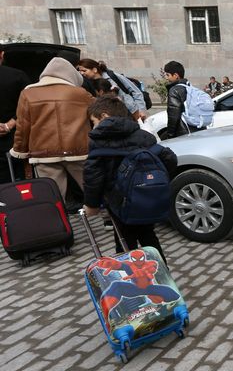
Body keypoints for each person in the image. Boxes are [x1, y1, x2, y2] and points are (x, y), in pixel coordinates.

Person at [82, 96, 177, 264]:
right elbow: (169, 159)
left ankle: (131, 279)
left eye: (94, 121)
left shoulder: (98, 141)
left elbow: (93, 176)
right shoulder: (142, 135)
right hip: (145, 197)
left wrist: (92, 204)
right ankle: (161, 275)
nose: (94, 126)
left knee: (124, 239)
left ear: (104, 116)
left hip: (118, 202)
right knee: (149, 236)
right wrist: (156, 183)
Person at [10, 57, 93, 198]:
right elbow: (100, 116)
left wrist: (20, 150)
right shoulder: (81, 93)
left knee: (53, 198)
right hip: (80, 150)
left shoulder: (28, 94)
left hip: (43, 153)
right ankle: (107, 217)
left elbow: (23, 126)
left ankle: (56, 219)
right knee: (94, 190)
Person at [0, 45, 32, 184]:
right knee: (15, 181)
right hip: (13, 138)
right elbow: (30, 105)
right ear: (2, 54)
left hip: (12, 137)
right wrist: (9, 124)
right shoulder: (18, 75)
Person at [77, 59, 147, 120]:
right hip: (115, 116)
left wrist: (141, 110)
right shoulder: (88, 84)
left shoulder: (112, 76)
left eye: (84, 70)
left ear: (94, 70)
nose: (82, 73)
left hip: (132, 111)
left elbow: (135, 91)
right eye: (80, 71)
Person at [163, 61, 204, 139]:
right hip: (198, 129)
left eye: (168, 75)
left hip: (183, 133)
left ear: (175, 75)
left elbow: (173, 116)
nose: (167, 78)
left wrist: (170, 135)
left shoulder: (174, 90)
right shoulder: (190, 87)